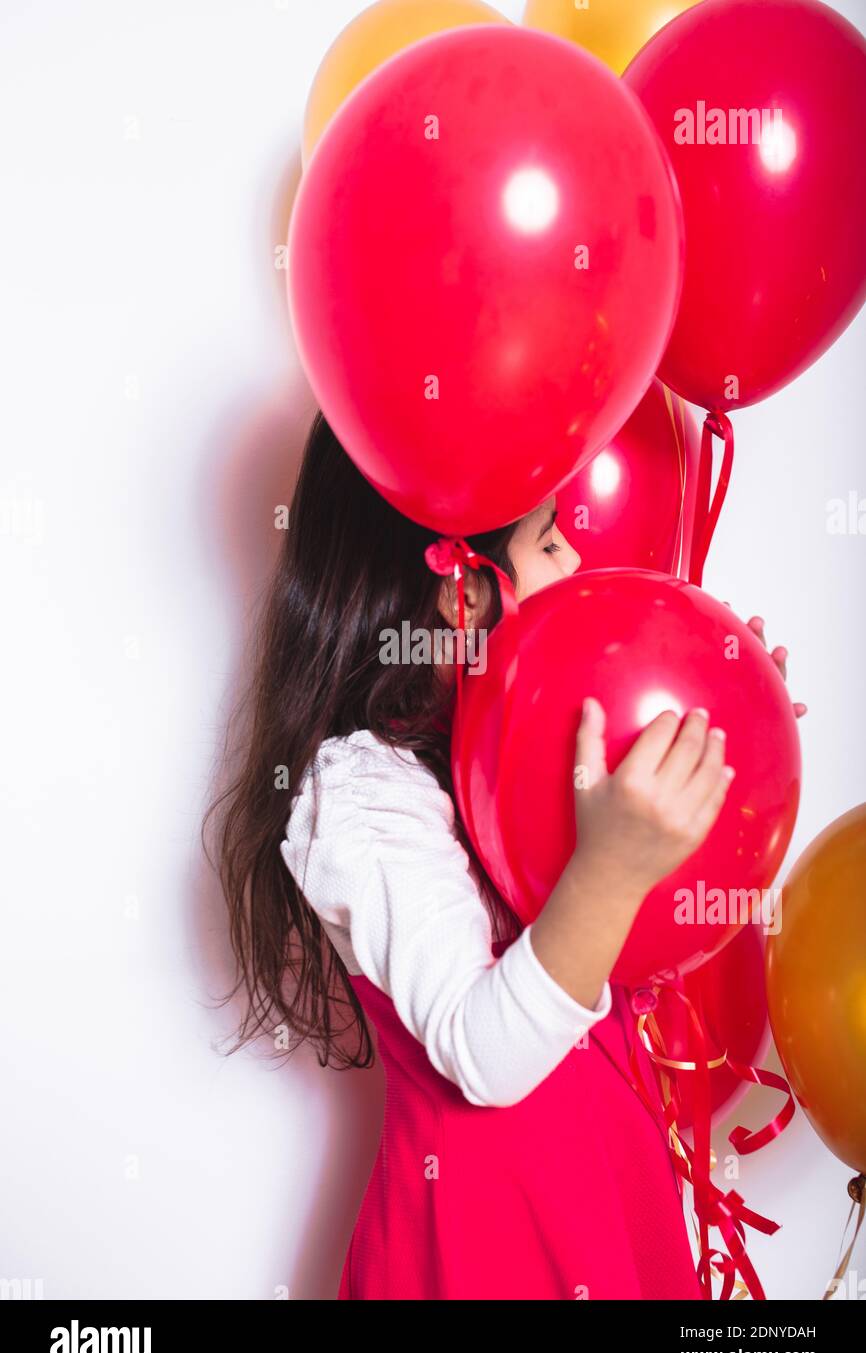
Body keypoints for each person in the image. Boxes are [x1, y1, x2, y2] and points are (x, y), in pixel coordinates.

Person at [206, 409, 801, 1300]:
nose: (578, 567)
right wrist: (608, 865)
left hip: (608, 1194)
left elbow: (640, 933)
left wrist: (724, 747)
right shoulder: (362, 794)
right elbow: (483, 1055)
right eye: (551, 542)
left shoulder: (527, 750)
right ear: (461, 592)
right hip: (485, 1240)